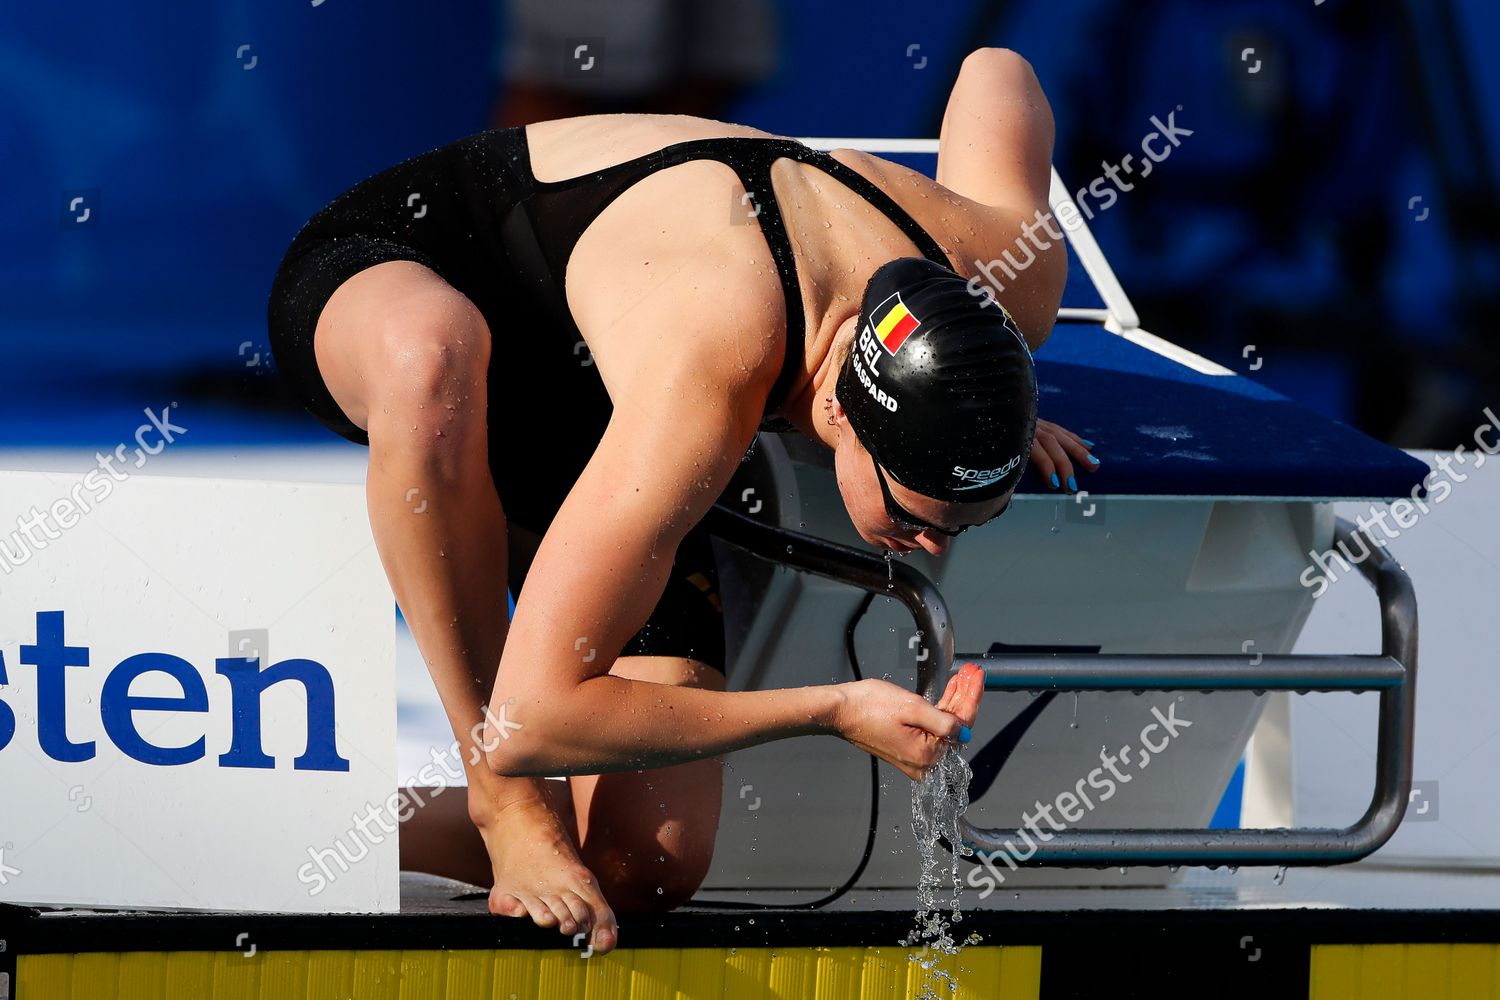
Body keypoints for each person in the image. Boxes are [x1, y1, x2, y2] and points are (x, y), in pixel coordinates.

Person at [266, 48, 1094, 955]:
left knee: (645, 862)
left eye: (966, 522)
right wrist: (831, 708)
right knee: (435, 360)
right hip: (420, 265)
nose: (930, 548)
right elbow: (535, 715)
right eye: (912, 517)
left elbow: (997, 70)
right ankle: (506, 807)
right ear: (831, 411)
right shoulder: (714, 368)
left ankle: (322, 836)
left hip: (604, 385)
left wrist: (988, 423)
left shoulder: (1004, 282)